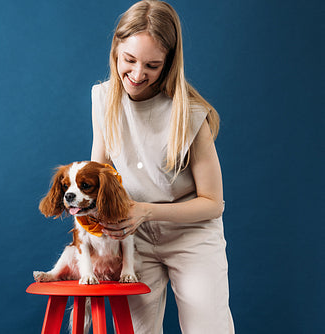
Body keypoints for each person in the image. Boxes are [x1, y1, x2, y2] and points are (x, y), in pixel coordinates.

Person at [90, 1, 235, 333]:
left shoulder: (189, 113)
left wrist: (145, 210)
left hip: (191, 237)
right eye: (129, 60)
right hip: (133, 239)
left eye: (152, 65)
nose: (138, 74)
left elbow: (213, 204)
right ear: (116, 49)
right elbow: (99, 177)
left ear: (169, 63)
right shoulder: (102, 99)